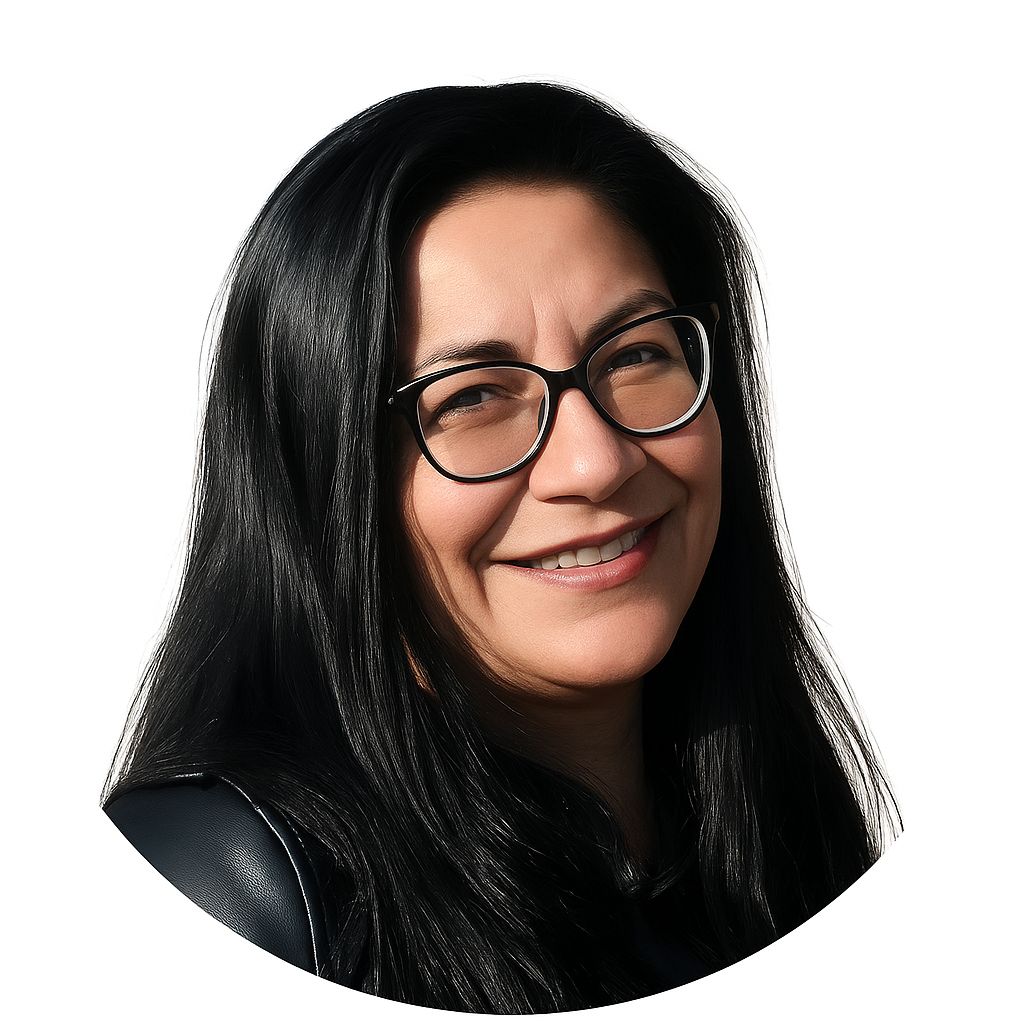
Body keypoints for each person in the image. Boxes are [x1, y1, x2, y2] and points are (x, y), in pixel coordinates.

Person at [103, 81, 900, 1013]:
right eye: (473, 397)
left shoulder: (794, 847)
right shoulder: (225, 889)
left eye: (636, 354)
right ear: (322, 480)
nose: (595, 461)